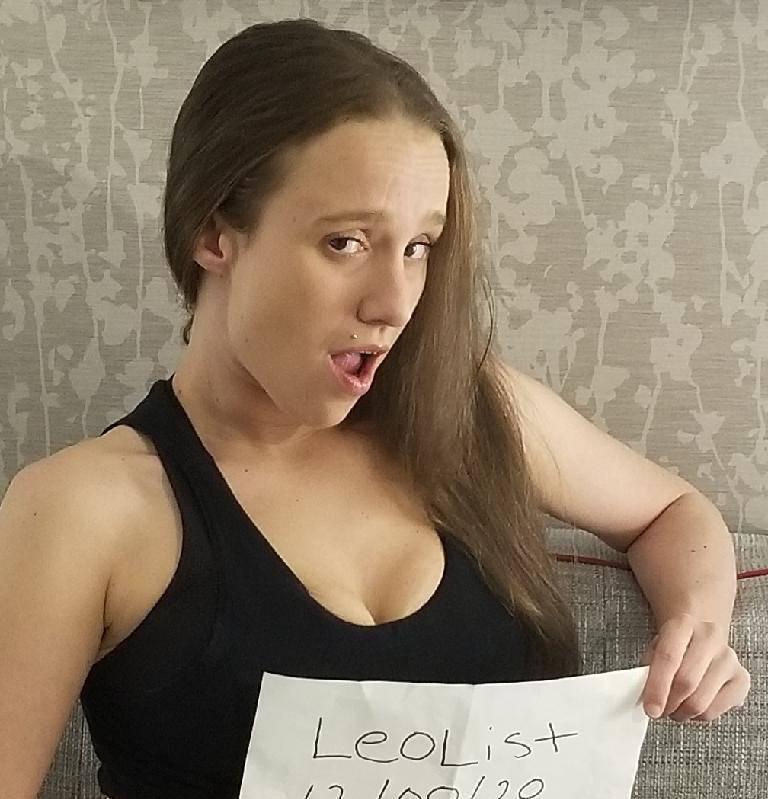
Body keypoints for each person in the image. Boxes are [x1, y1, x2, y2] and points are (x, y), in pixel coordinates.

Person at [0, 17, 749, 799]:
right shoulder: (84, 508)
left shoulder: (470, 411)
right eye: (346, 242)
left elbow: (670, 510)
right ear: (214, 231)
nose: (393, 303)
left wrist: (696, 625)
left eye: (419, 246)